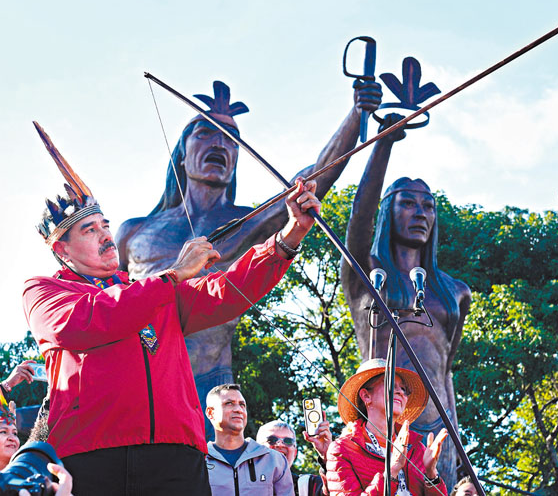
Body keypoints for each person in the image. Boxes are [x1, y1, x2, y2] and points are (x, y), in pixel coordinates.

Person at [24, 122, 320, 495]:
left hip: (176, 456)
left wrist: (288, 238)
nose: (106, 236)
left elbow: (224, 292)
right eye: (89, 230)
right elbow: (87, 321)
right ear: (62, 250)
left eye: (105, 225)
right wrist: (173, 275)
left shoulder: (153, 291)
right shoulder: (44, 290)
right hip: (91, 456)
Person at [116, 79, 381, 434]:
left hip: (207, 382)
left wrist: (357, 113)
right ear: (181, 150)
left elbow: (314, 176)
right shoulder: (133, 231)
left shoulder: (244, 222)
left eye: (230, 139)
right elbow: (106, 297)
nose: (219, 144)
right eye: (205, 133)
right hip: (135, 371)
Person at [342, 113, 471, 487]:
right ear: (388, 212)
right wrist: (383, 144)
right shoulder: (367, 277)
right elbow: (358, 222)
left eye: (428, 206)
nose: (421, 213)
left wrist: (457, 438)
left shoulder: (454, 291)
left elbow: (445, 372)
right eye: (408, 204)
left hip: (437, 426)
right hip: (380, 420)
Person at [326, 358, 448, 495]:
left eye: (404, 388)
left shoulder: (417, 448)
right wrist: (392, 471)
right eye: (390, 384)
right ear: (366, 396)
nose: (400, 392)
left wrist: (431, 474)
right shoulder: (342, 449)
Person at [205, 384, 294, 495]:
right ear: (210, 413)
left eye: (242, 405)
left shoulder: (274, 460)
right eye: (229, 403)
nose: (238, 409)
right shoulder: (199, 461)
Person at [257, 418, 332, 496]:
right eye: (272, 440)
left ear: (294, 454)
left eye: (288, 441)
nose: (280, 444)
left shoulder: (308, 486)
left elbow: (337, 490)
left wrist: (327, 456)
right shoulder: (244, 483)